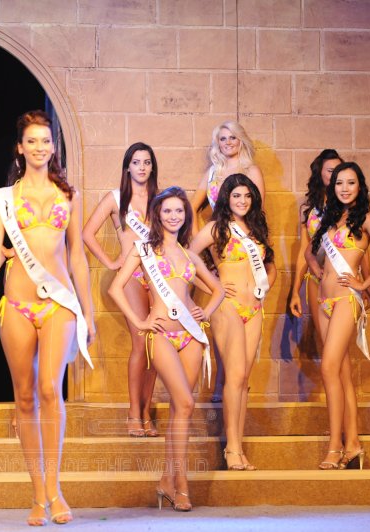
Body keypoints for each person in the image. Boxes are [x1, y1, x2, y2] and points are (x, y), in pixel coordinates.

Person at [0, 110, 95, 526]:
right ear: (20, 148)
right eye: (33, 141)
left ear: (53, 147)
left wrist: (88, 310)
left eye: (46, 141)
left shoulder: (68, 195)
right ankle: (38, 492)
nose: (40, 147)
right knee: (24, 397)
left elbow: (76, 257)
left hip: (59, 304)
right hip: (17, 305)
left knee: (49, 389)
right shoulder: (5, 198)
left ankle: (56, 490)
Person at [109, 186, 223, 512]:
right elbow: (116, 288)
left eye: (179, 211)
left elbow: (217, 290)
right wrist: (139, 321)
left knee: (180, 409)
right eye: (168, 211)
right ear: (157, 215)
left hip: (190, 336)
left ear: (185, 216)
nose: (174, 216)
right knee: (185, 402)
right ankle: (182, 483)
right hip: (159, 335)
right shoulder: (143, 249)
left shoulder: (189, 255)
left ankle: (166, 481)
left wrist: (206, 312)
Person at [307, 162, 370, 470]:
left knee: (328, 368)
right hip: (324, 300)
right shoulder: (331, 219)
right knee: (342, 374)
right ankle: (354, 443)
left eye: (351, 183)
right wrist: (316, 269)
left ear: (360, 187)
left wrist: (364, 283)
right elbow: (310, 253)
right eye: (339, 183)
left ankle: (335, 447)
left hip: (347, 299)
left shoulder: (364, 218)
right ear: (333, 187)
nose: (344, 188)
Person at [190, 174, 276, 471]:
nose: (242, 201)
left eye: (247, 196)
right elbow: (186, 259)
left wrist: (265, 286)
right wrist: (211, 286)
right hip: (227, 306)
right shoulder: (217, 227)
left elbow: (271, 266)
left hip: (254, 308)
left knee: (243, 380)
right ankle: (232, 449)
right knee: (235, 376)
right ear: (226, 197)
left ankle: (237, 448)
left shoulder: (257, 227)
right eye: (237, 195)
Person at [83, 142, 160, 438]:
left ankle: (146, 411)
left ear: (152, 167)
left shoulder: (160, 198)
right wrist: (111, 261)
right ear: (127, 167)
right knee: (141, 343)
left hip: (158, 277)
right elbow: (87, 233)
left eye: (146, 162)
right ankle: (133, 412)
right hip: (131, 277)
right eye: (136, 162)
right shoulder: (116, 198)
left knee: (156, 346)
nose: (141, 167)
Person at [190, 121, 265, 224]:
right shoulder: (212, 172)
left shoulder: (252, 171)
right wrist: (196, 233)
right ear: (218, 143)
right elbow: (191, 207)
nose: (228, 142)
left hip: (244, 232)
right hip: (218, 231)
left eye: (233, 138)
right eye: (223, 139)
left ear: (241, 140)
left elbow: (258, 210)